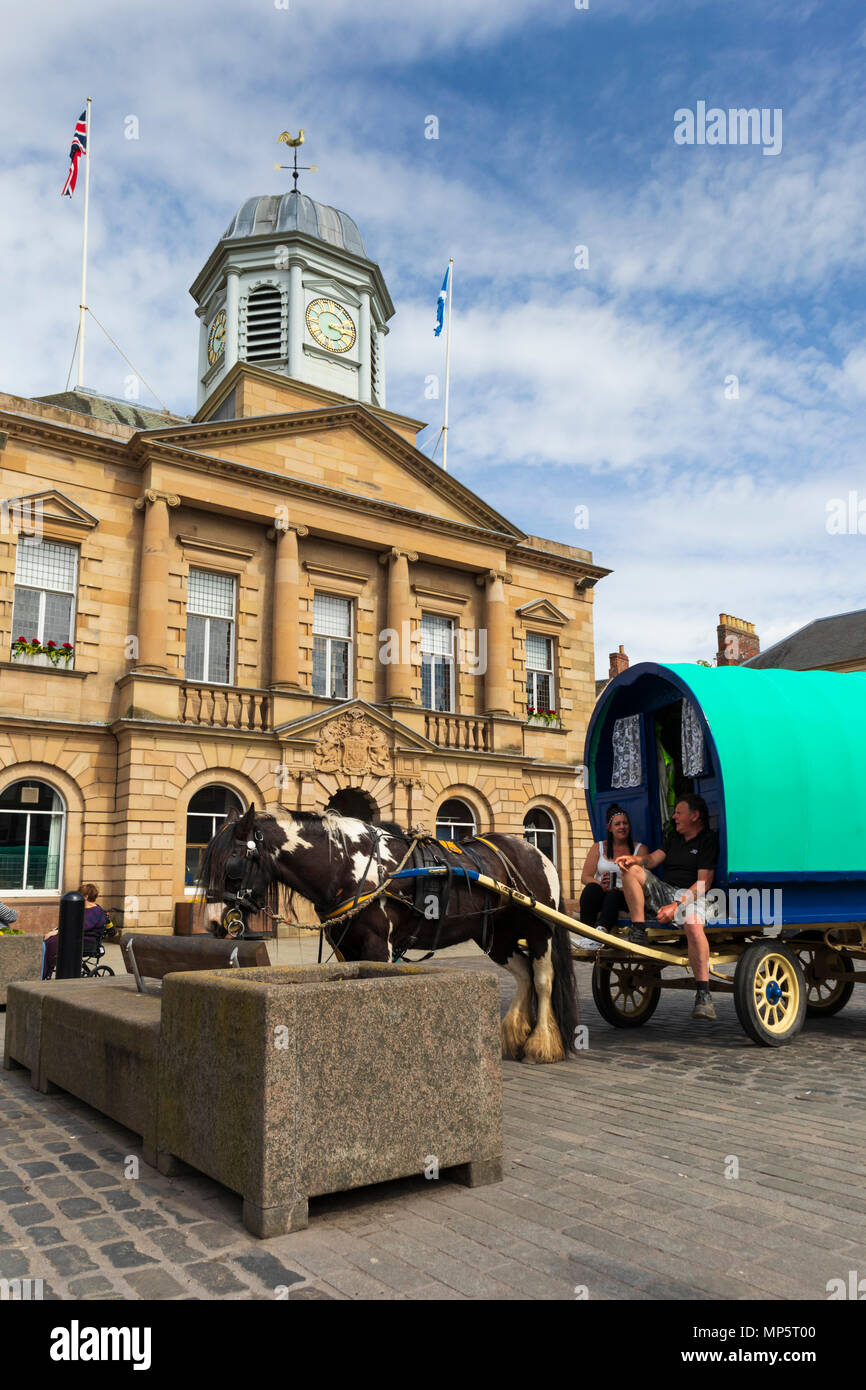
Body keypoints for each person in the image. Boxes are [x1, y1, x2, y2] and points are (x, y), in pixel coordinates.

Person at [615, 794, 719, 1020]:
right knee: (630, 871)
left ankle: (704, 995)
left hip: (695, 896)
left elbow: (703, 884)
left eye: (679, 813)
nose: (674, 817)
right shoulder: (674, 838)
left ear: (695, 816)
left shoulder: (707, 840)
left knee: (692, 922)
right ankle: (639, 929)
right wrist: (635, 860)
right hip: (668, 891)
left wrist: (675, 906)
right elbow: (652, 860)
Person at [576, 805, 646, 948]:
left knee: (614, 894)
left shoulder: (640, 849)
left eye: (625, 823)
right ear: (609, 828)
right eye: (617, 824)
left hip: (627, 897)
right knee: (591, 889)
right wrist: (599, 884)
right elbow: (585, 876)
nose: (622, 827)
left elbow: (645, 880)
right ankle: (586, 934)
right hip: (603, 893)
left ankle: (600, 934)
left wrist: (621, 888)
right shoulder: (598, 847)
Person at [42, 883, 109, 980]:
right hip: (75, 938)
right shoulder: (82, 909)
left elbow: (80, 926)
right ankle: (45, 971)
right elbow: (70, 923)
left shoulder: (96, 911)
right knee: (48, 941)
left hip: (85, 942)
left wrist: (58, 932)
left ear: (85, 897)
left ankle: (46, 973)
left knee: (52, 943)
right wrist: (56, 930)